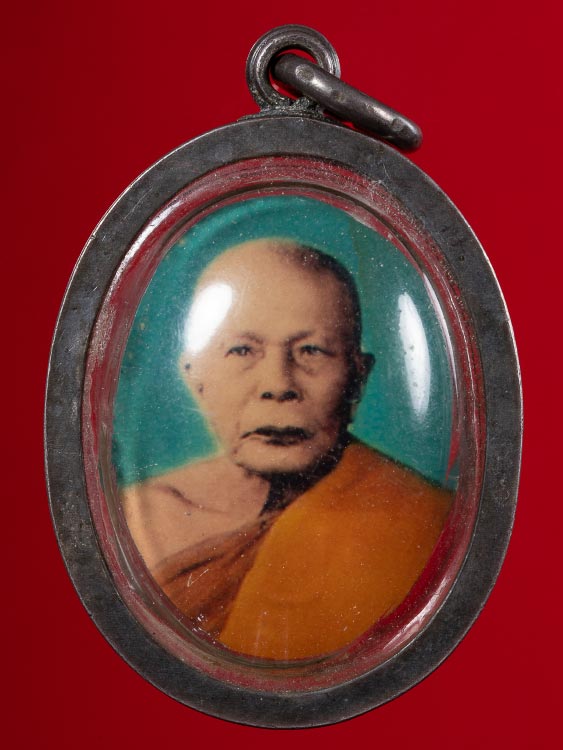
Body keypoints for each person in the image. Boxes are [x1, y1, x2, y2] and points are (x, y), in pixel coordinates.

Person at [122, 238, 452, 660]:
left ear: (357, 377)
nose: (278, 385)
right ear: (196, 377)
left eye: (311, 351)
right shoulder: (135, 515)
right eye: (242, 350)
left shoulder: (422, 519)